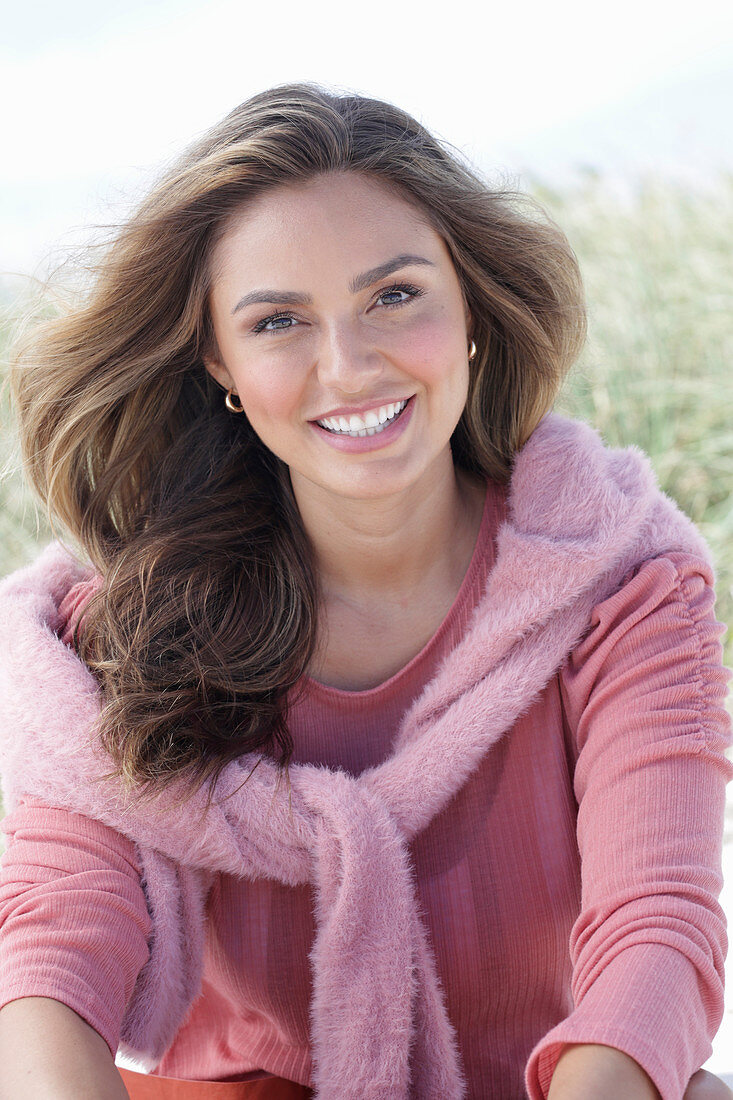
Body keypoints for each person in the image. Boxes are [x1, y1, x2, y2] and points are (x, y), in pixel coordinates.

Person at [0, 83, 730, 1100]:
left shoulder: (624, 584)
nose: (347, 366)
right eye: (278, 321)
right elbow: (50, 955)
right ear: (219, 359)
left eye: (393, 295)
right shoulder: (121, 628)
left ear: (469, 303)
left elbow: (659, 931)